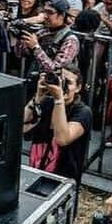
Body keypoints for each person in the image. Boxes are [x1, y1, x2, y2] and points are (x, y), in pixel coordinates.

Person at [22, 64, 92, 192]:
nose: (63, 86)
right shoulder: (45, 103)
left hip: (63, 183)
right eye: (61, 81)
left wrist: (59, 100)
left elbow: (62, 139)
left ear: (78, 88)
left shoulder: (82, 112)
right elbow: (20, 126)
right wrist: (37, 97)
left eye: (68, 83)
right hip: (35, 175)